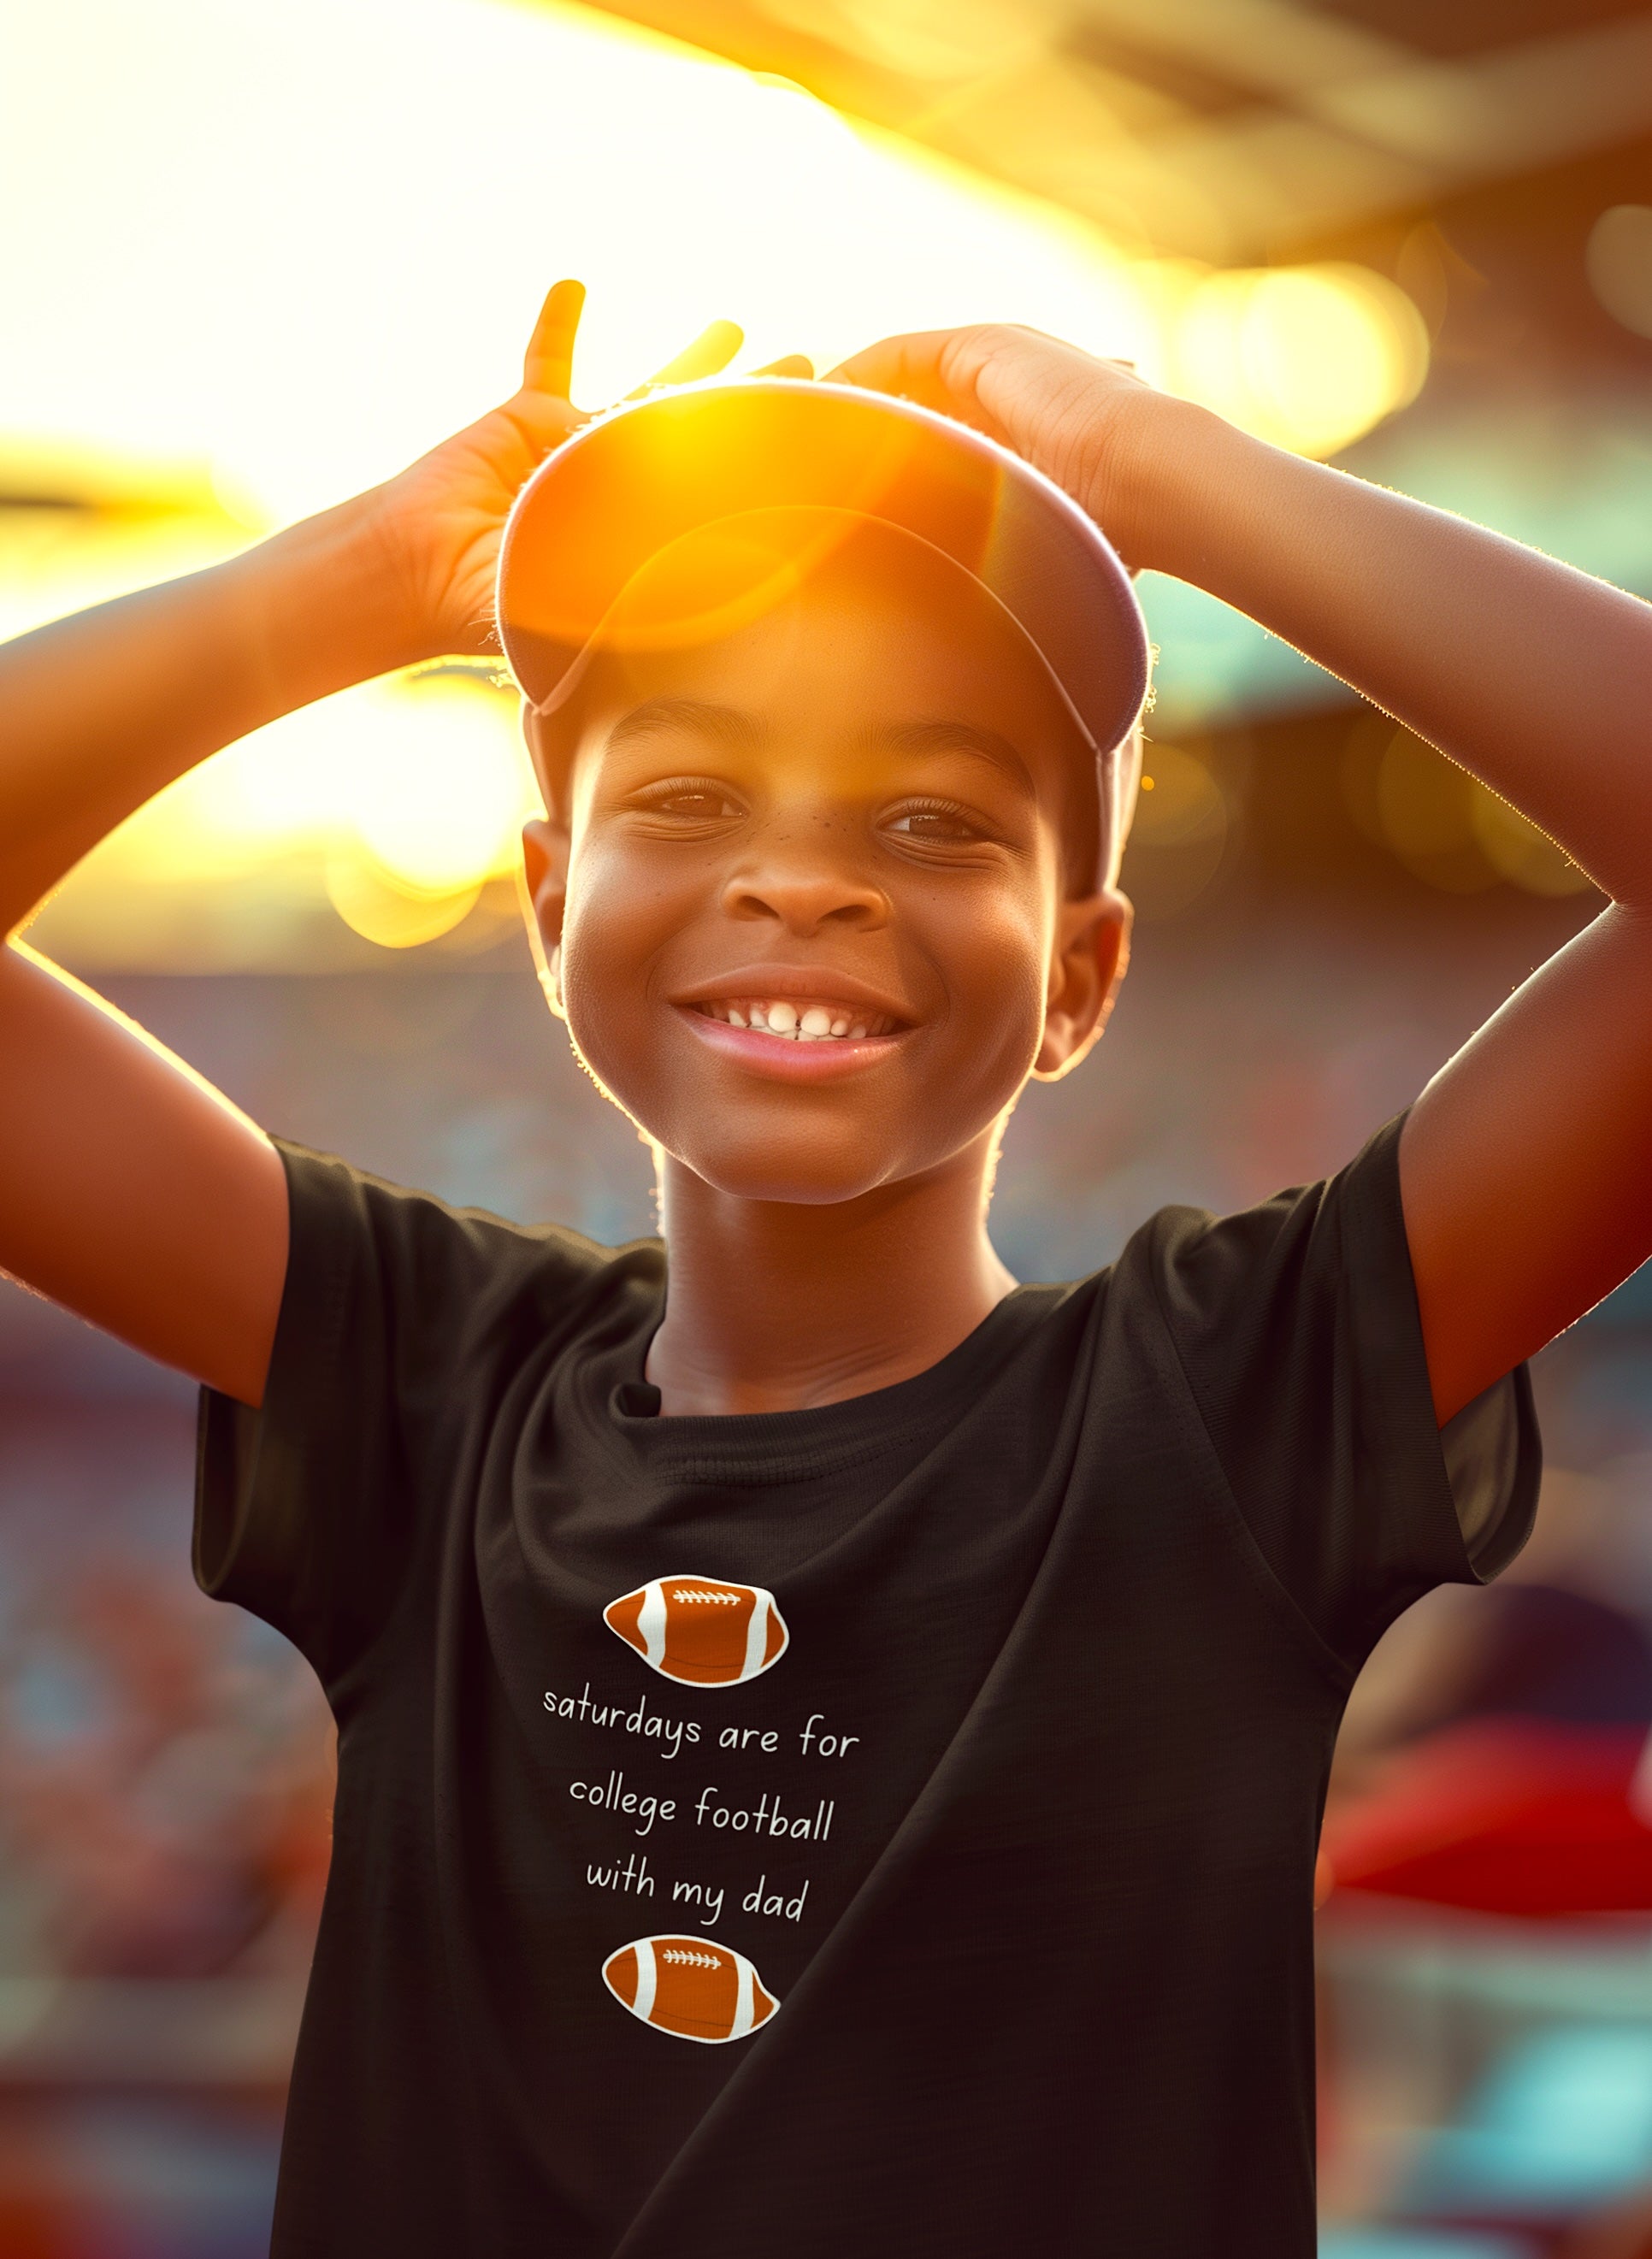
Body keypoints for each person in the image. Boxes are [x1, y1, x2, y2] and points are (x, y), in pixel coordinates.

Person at [1, 275, 1649, 2259]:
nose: (804, 873)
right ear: (546, 899)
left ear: (1083, 975)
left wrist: (1159, 467)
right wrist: (338, 589)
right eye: (691, 794)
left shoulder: (1228, 1402)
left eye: (937, 815)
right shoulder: (429, 1386)